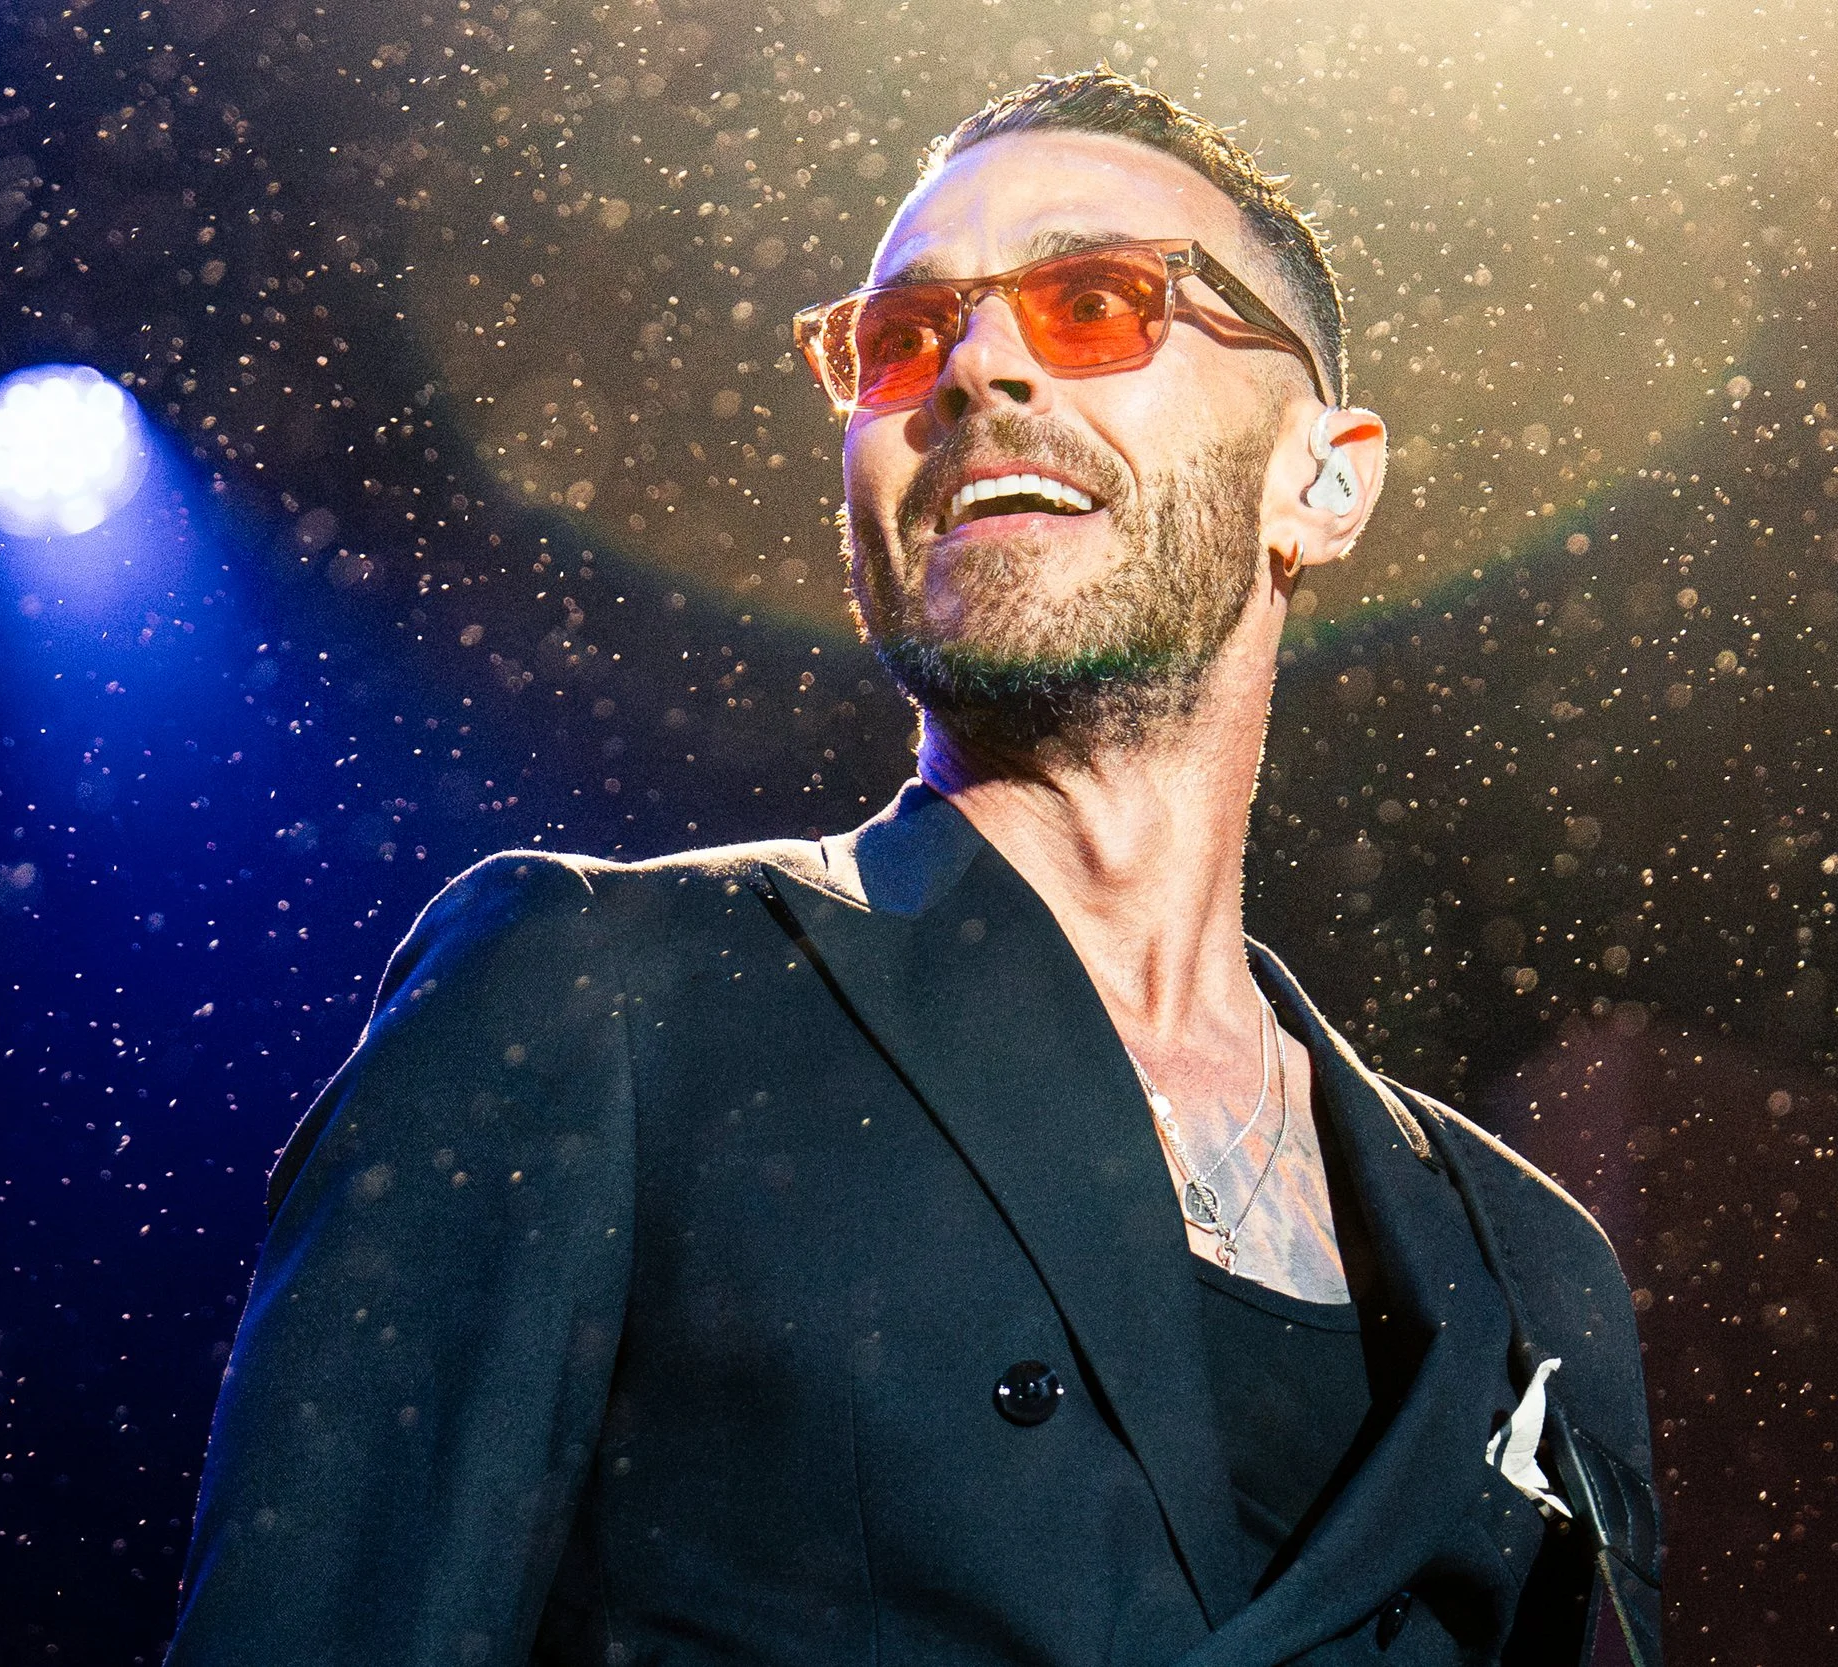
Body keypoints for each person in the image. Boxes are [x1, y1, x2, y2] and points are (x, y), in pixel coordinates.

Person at [166, 70, 1659, 1667]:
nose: (978, 369)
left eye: (1095, 301)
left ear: (1325, 478)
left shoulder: (1534, 1264)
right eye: (902, 339)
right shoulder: (596, 999)